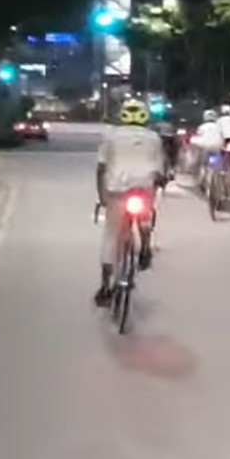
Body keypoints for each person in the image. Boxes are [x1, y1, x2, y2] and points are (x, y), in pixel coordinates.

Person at [94, 99, 165, 307]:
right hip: (143, 187)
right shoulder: (154, 138)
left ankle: (106, 287)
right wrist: (159, 180)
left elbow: (101, 168)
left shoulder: (111, 136)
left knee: (112, 236)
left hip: (117, 190)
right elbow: (160, 169)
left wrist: (102, 196)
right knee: (146, 215)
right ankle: (145, 248)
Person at [192, 108, 224, 188]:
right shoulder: (219, 127)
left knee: (203, 164)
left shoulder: (202, 127)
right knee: (214, 166)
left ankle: (202, 179)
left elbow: (198, 137)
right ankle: (214, 179)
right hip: (216, 148)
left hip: (205, 148)